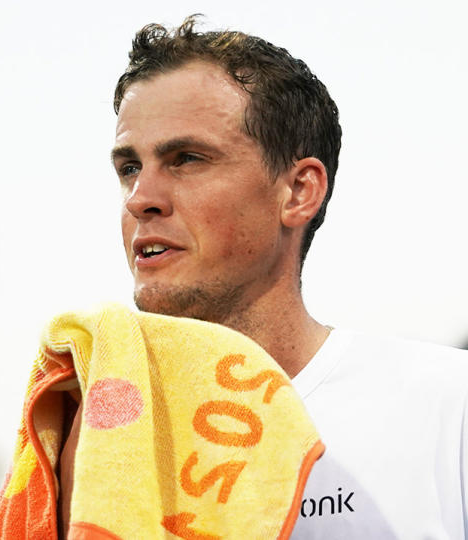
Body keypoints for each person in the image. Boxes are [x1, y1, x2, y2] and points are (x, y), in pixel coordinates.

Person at [47, 16, 468, 538]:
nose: (140, 198)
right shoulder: (86, 439)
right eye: (129, 167)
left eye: (186, 159)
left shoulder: (448, 406)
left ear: (298, 192)